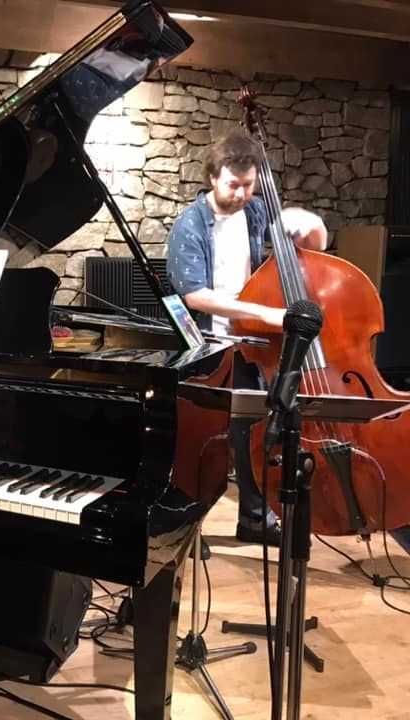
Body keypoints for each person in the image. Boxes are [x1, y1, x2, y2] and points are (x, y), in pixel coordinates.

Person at [167, 132, 328, 545]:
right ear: (212, 178)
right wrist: (262, 313)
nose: (241, 194)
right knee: (204, 440)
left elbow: (311, 253)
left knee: (253, 433)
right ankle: (186, 529)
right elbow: (195, 294)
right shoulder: (190, 224)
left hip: (253, 346)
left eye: (248, 185)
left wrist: (313, 227)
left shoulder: (256, 211)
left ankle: (255, 520)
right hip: (209, 344)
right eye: (233, 185)